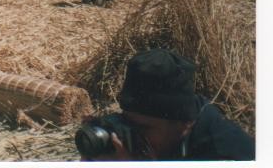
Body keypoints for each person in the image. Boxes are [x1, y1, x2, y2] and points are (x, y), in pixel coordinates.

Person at [81, 48, 254, 161]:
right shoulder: (171, 129)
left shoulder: (226, 154)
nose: (132, 135)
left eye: (144, 128)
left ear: (185, 124)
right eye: (126, 122)